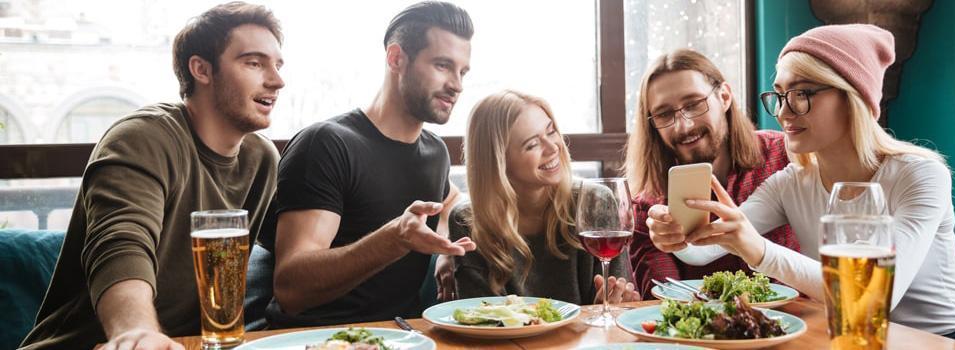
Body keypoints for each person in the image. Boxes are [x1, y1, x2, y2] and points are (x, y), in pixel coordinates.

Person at [647, 24, 955, 345]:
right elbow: (705, 248)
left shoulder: (919, 174)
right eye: (779, 95)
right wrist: (674, 232)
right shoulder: (789, 184)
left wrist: (758, 251)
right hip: (845, 339)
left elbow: (876, 295)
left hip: (942, 341)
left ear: (852, 96)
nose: (783, 112)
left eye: (801, 93)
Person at [20, 2, 284, 349]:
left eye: (277, 65)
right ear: (201, 69)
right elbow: (120, 242)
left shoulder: (262, 159)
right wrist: (136, 331)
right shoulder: (142, 138)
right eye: (254, 62)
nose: (277, 80)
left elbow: (291, 256)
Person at [262, 1, 476, 328]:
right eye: (443, 65)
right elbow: (291, 287)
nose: (457, 84)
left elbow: (448, 203)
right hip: (317, 339)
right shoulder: (326, 145)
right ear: (396, 58)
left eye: (462, 72)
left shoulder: (435, 152)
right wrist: (394, 239)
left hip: (405, 336)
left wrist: (447, 248)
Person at [624, 49, 799, 299]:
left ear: (724, 97)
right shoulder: (649, 208)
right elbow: (664, 302)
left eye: (694, 104)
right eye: (664, 114)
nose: (683, 126)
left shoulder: (785, 158)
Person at [450, 90, 641, 304]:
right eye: (532, 144)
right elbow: (480, 317)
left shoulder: (595, 201)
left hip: (588, 337)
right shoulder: (468, 220)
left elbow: (618, 301)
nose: (553, 148)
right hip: (508, 338)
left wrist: (610, 304)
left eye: (551, 132)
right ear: (498, 162)